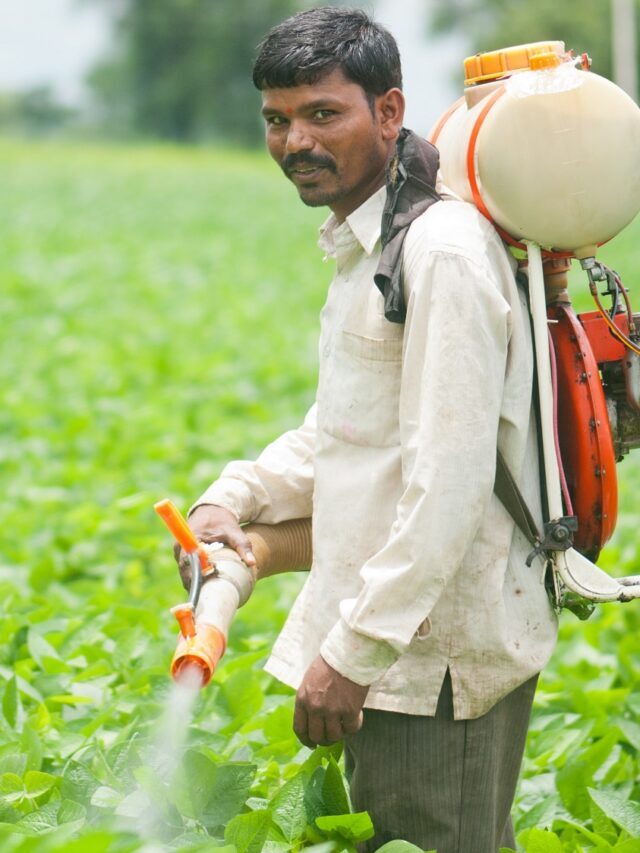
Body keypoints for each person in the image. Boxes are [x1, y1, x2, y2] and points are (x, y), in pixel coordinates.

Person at [176, 8, 558, 852]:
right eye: (278, 119)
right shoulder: (373, 240)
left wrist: (351, 653)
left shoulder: (439, 253)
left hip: (431, 664)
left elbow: (449, 487)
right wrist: (233, 499)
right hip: (396, 654)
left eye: (323, 114)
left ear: (388, 111)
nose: (295, 142)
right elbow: (347, 430)